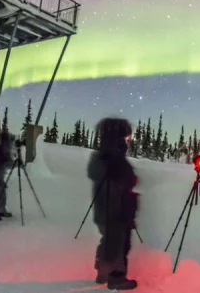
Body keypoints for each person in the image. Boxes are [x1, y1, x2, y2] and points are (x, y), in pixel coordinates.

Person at [87, 117, 139, 290]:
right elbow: (125, 181)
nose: (127, 141)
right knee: (119, 243)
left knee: (108, 239)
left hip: (104, 208)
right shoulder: (115, 158)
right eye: (126, 137)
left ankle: (102, 271)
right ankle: (116, 277)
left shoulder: (102, 156)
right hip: (116, 209)